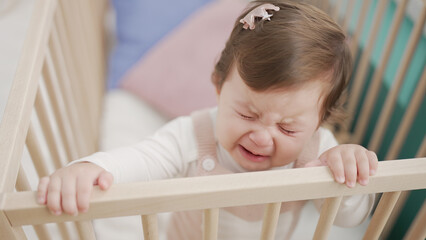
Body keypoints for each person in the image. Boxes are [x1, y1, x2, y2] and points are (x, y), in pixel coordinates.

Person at [37, 1, 378, 239]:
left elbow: (349, 218)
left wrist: (348, 169)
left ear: (319, 122)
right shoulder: (195, 134)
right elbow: (143, 158)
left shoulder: (317, 153)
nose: (261, 138)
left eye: (287, 128)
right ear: (217, 87)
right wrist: (91, 168)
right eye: (247, 114)